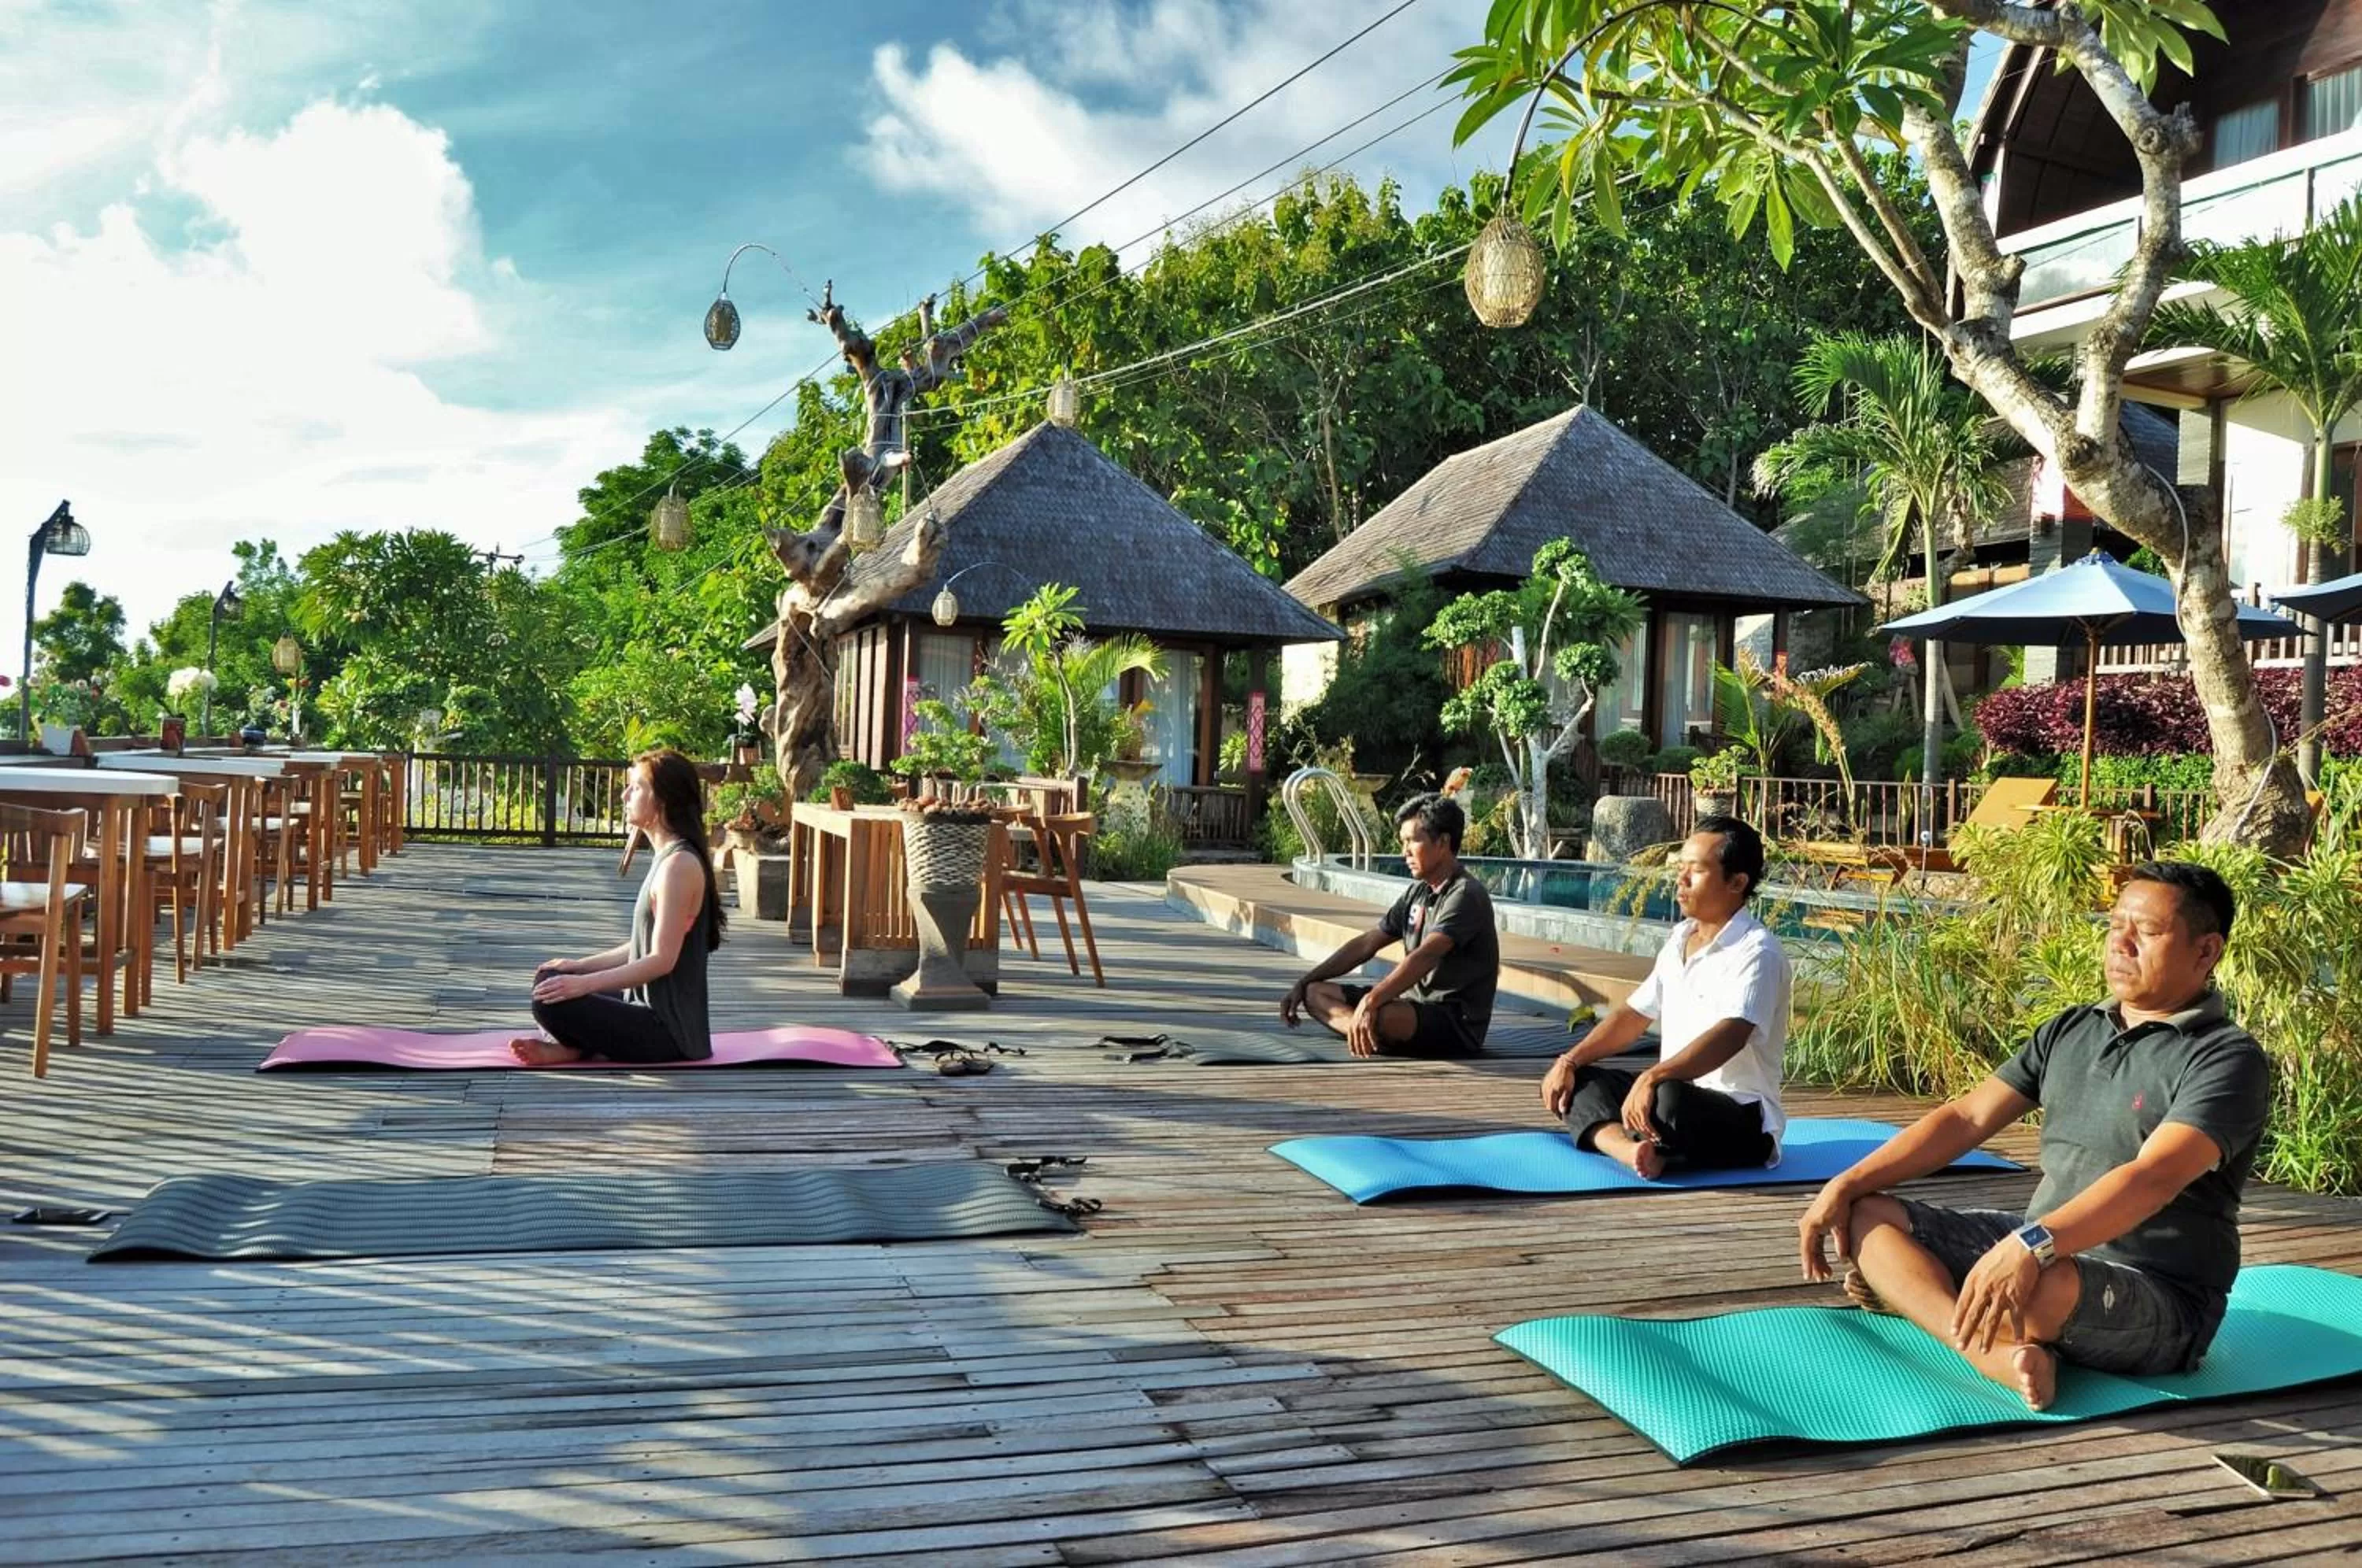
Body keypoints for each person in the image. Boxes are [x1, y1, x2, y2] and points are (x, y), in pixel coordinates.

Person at [1797, 861, 2270, 1411]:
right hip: (2040, 1246)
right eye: (2116, 925)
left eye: (2148, 931)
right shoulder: (2072, 1028)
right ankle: (1986, 1349)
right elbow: (1967, 1119)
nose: (2122, 943)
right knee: (1865, 1216)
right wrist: (1846, 1183)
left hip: (2159, 1291)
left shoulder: (2226, 1058)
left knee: (2033, 1288)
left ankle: (1925, 1305)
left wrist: (2032, 1245)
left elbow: (2154, 1177)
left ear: (2206, 951)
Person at [1538, 815, 1790, 1179]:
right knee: (1581, 1082)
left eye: (1697, 870)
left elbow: (1733, 1034)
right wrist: (1569, 1061)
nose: (1682, 879)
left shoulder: (1758, 951)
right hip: (1668, 1089)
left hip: (1740, 1116)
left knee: (1668, 1099)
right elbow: (1633, 1016)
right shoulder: (1679, 939)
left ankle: (1652, 1145)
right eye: (1681, 867)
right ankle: (1632, 1151)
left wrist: (1654, 1076)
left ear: (1737, 882)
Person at [509, 748, 727, 1065]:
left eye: (636, 787)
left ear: (661, 800)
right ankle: (574, 1047)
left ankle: (573, 1048)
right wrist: (578, 967)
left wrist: (583, 984)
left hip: (669, 1033)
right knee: (550, 980)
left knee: (551, 1001)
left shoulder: (679, 865)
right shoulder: (667, 858)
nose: (625, 795)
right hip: (644, 1009)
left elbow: (661, 960)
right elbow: (641, 945)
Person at [1279, 793, 1498, 1056]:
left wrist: (1372, 1000)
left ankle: (1369, 1029)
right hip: (1411, 1009)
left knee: (1379, 1013)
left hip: (1455, 1023)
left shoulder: (1466, 895)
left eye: (1412, 841)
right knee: (1315, 994)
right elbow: (1367, 943)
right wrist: (1304, 982)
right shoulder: (1416, 893)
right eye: (1402, 841)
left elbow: (1426, 955)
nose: (1403, 851)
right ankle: (1367, 1032)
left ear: (1443, 842)